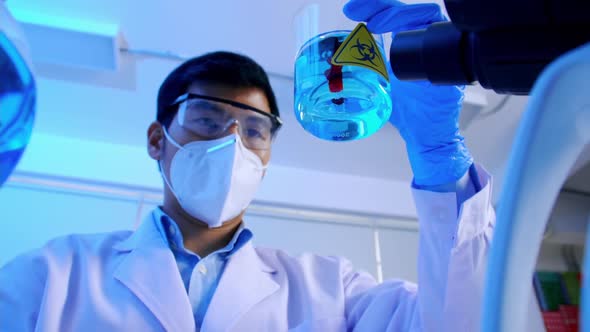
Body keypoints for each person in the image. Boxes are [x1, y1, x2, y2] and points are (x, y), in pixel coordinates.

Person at [0, 1, 495, 331]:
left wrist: (438, 160)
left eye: (254, 129)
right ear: (158, 138)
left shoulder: (332, 291)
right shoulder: (54, 275)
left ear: (267, 157)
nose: (232, 142)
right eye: (208, 119)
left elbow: (463, 322)